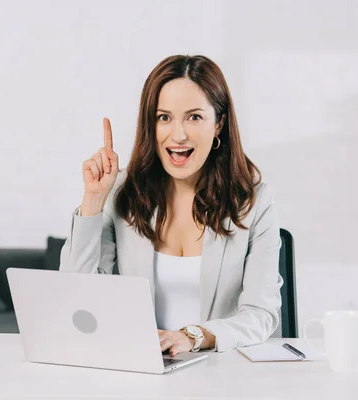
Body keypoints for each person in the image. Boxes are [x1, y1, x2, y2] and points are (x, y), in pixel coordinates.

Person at [60, 54, 283, 355]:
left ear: (219, 124)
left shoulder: (254, 202)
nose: (178, 135)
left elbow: (262, 314)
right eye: (163, 117)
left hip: (221, 373)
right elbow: (77, 298)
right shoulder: (122, 193)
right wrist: (93, 201)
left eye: (194, 117)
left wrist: (194, 336)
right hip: (139, 369)